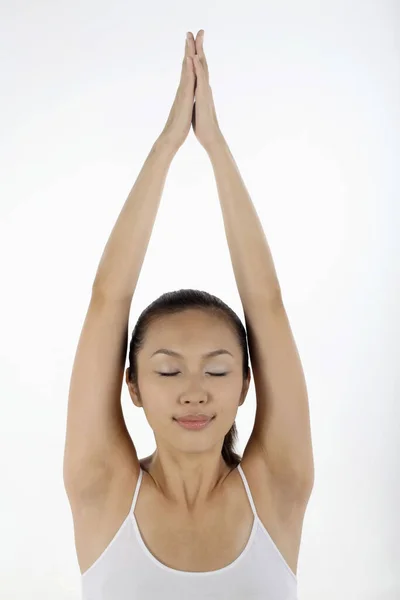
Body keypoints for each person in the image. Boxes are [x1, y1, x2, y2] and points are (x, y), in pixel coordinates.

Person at [63, 29, 313, 599]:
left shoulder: (278, 487)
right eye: (169, 370)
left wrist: (217, 147)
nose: (195, 391)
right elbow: (107, 303)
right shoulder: (102, 490)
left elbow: (267, 307)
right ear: (132, 387)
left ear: (249, 384)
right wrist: (169, 144)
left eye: (219, 370)